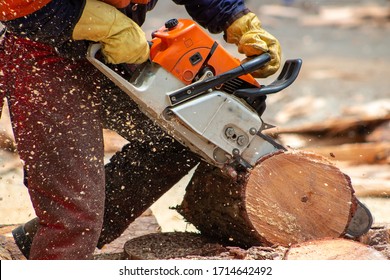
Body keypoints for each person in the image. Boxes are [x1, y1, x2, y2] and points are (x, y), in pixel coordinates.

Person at [0, 0, 281, 259]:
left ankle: (40, 238)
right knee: (75, 213)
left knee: (185, 133)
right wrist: (94, 20)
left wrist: (236, 18)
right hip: (42, 56)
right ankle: (61, 251)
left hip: (111, 49)